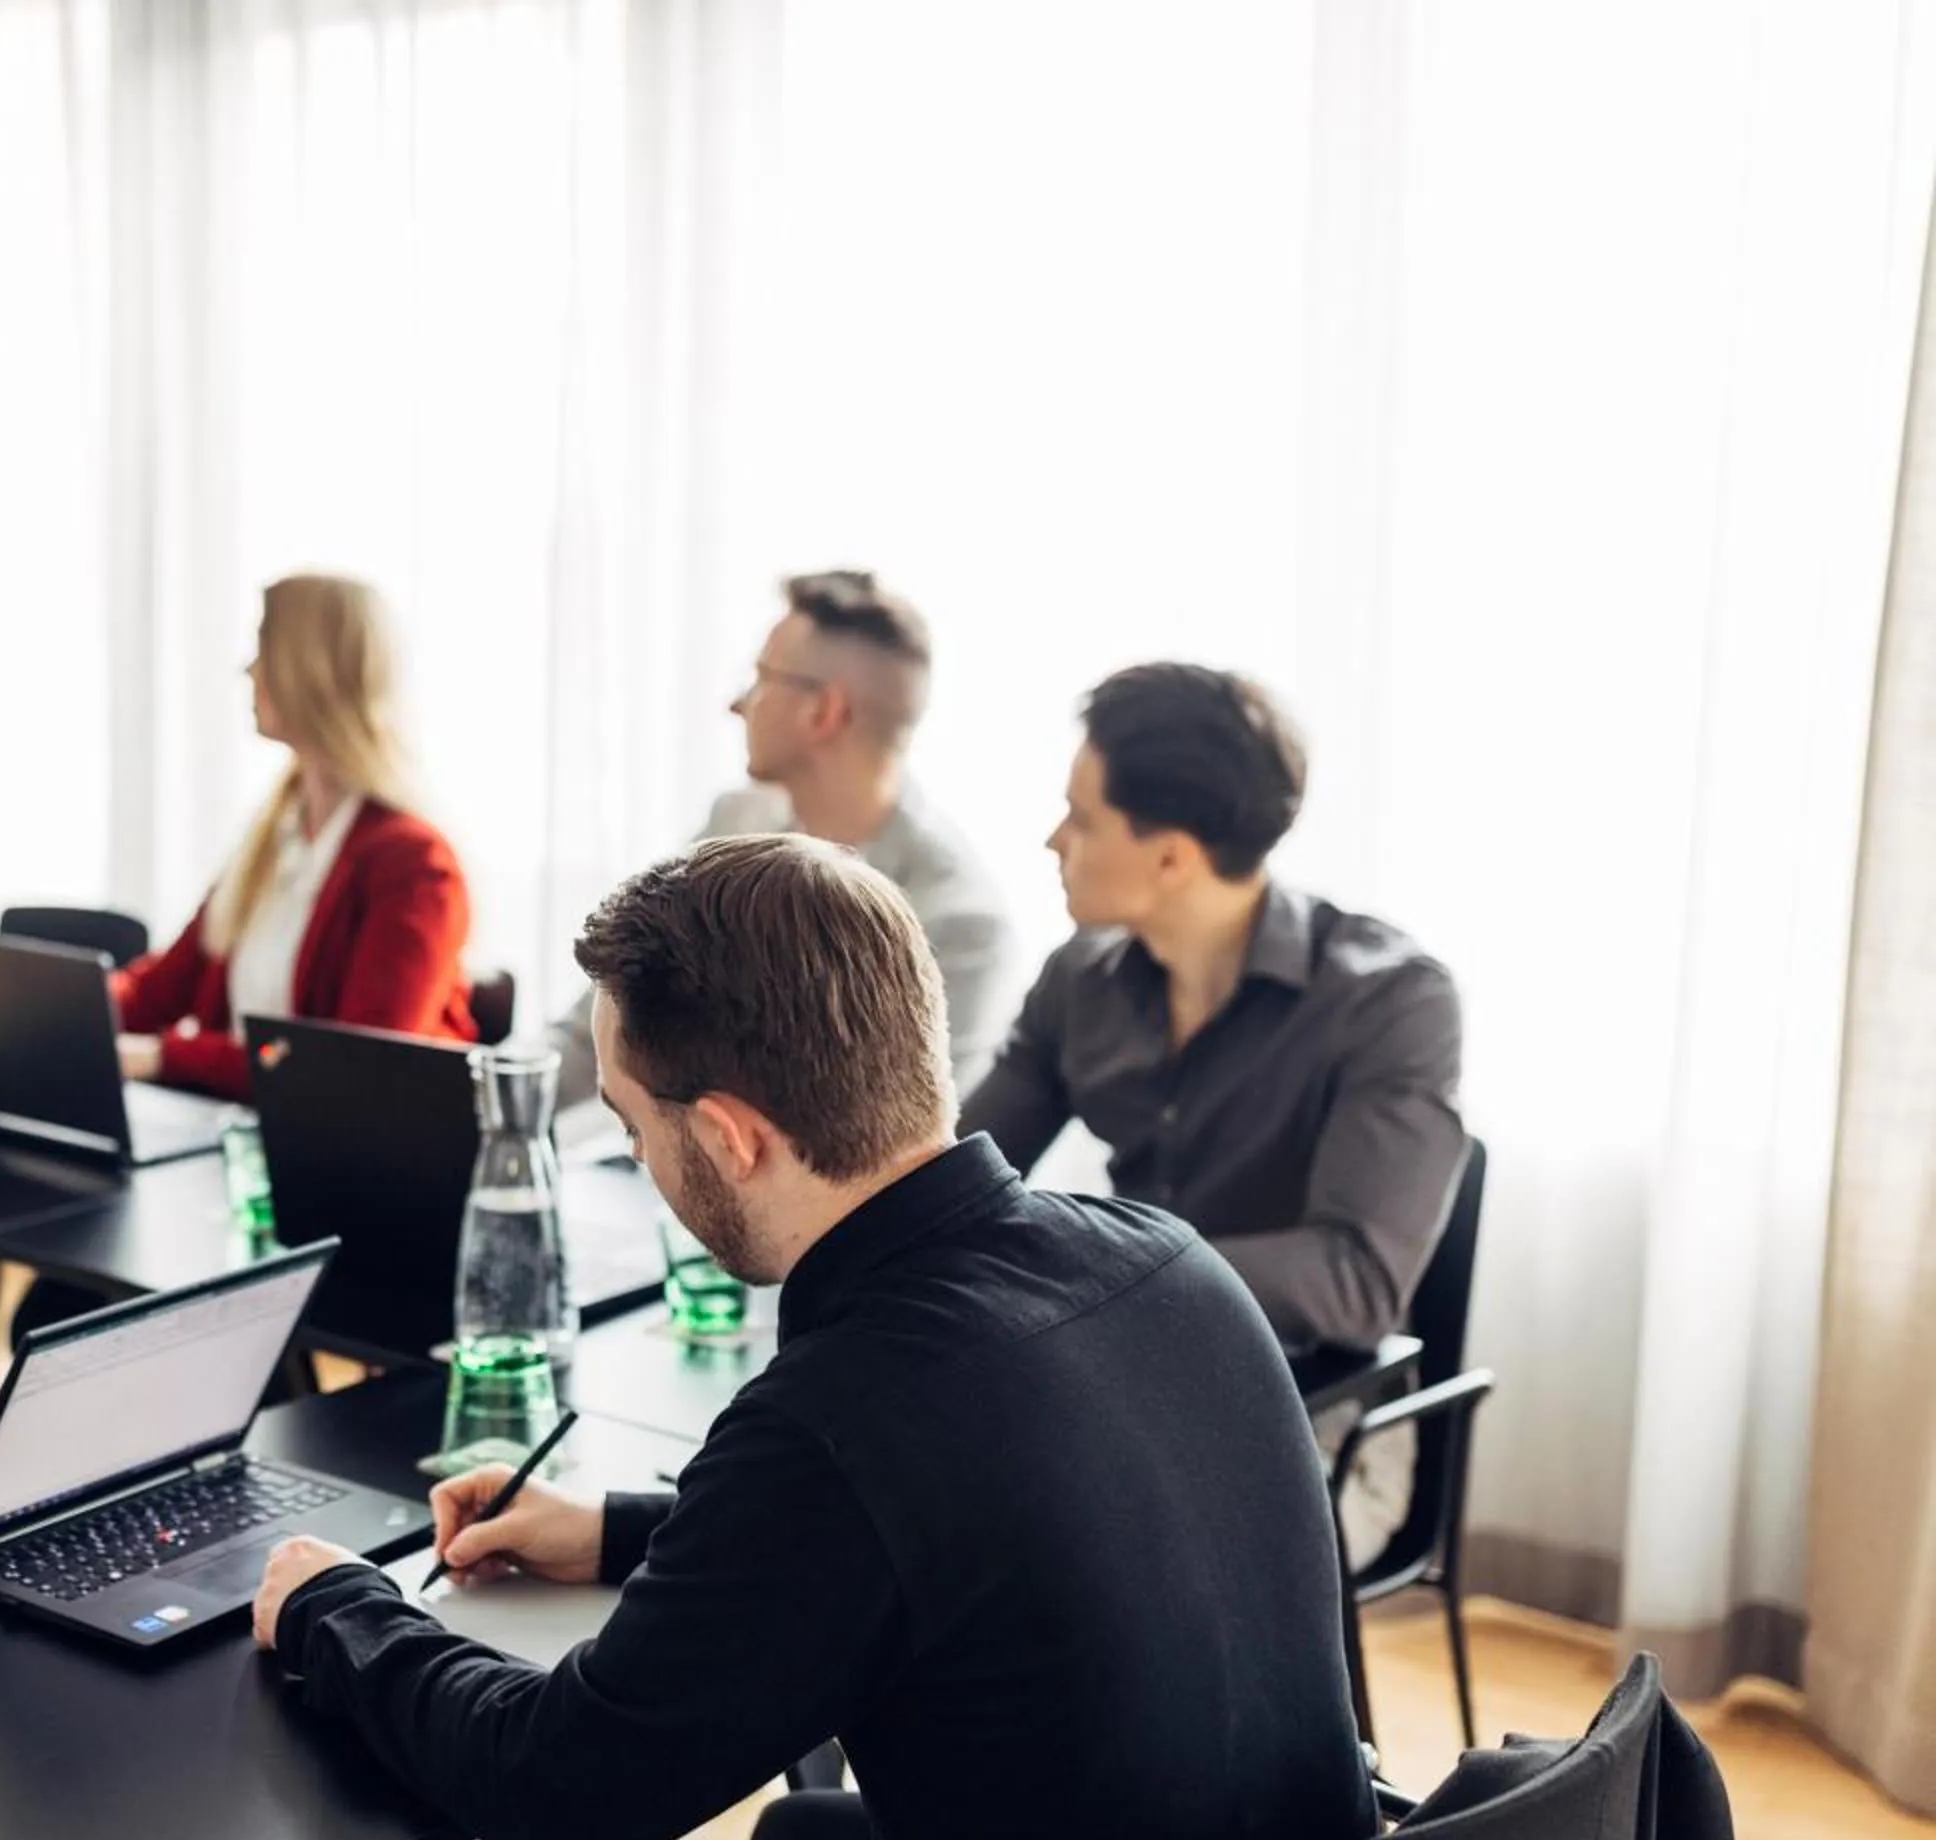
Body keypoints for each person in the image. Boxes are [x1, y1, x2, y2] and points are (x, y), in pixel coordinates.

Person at [252, 835, 1376, 1840]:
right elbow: (959, 1542)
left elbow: (562, 1787)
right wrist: (621, 1530)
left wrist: (343, 1608)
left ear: (732, 1137)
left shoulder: (845, 1413)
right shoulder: (1165, 1258)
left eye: (636, 1126)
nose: (639, 1157)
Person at [957, 662, 1467, 1563]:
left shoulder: (1390, 1002)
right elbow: (956, 1171)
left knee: (1049, 1548)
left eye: (1081, 818)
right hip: (1112, 1380)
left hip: (1314, 1415)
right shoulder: (1080, 980)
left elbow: (1356, 1282)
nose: (1051, 841)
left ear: (1172, 855)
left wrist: (1104, 1278)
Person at [550, 570, 1009, 1104]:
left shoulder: (960, 922)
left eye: (763, 678)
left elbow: (907, 1134)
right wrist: (486, 1097)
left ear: (824, 711)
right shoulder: (731, 826)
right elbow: (604, 1021)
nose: (738, 704)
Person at [110, 572, 478, 1098]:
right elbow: (157, 994)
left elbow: (352, 1067)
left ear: (312, 671)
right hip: (238, 1141)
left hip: (348, 1164)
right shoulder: (275, 837)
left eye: (264, 646)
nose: (249, 669)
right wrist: (47, 1015)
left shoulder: (415, 865)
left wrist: (165, 1055)